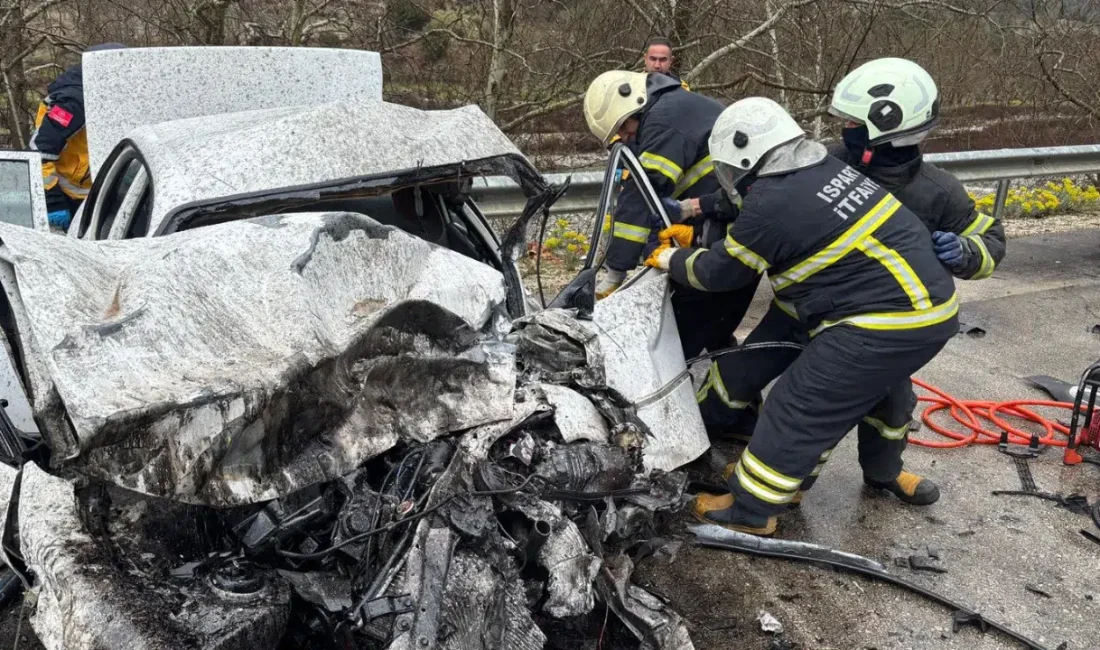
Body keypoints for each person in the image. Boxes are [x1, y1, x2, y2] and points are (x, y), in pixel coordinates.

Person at [687, 57, 1005, 500]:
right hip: (799, 306)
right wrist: (699, 207)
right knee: (737, 373)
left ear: (886, 127)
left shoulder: (936, 191)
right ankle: (693, 442)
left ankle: (879, 474)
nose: (846, 129)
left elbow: (990, 239)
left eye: (854, 122)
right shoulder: (828, 161)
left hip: (872, 323)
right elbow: (761, 194)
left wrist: (968, 253)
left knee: (887, 403)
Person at [646, 96, 958, 536]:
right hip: (914, 310)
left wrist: (671, 259)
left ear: (746, 159)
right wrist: (696, 211)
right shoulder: (821, 168)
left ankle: (751, 510)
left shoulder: (772, 202)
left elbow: (720, 273)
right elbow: (751, 203)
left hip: (879, 321)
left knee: (800, 404)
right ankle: (785, 480)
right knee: (858, 396)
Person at [583, 70, 757, 358]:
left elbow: (642, 193)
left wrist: (615, 271)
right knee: (714, 333)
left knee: (672, 348)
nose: (624, 136)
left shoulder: (664, 122)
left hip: (732, 238)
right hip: (732, 226)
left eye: (623, 127)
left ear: (634, 105)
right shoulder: (674, 107)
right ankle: (730, 379)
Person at [29, 42, 126, 230]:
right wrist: (53, 200)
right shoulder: (74, 103)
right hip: (67, 194)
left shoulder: (112, 95)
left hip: (97, 190)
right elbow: (40, 153)